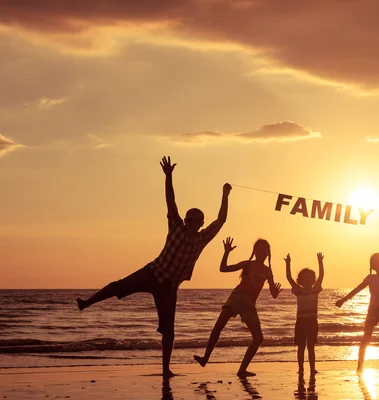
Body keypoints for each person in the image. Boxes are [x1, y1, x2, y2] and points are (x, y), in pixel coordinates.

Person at [76, 156, 231, 379]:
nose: (192, 223)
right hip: (152, 273)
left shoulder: (202, 238)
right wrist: (168, 177)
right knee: (119, 286)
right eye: (190, 219)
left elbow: (222, 219)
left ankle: (165, 370)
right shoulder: (176, 226)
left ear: (201, 224)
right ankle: (87, 303)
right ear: (185, 220)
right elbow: (171, 201)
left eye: (197, 220)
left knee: (169, 330)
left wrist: (225, 195)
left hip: (169, 287)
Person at [194, 237, 283, 377]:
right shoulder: (247, 264)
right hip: (237, 297)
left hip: (249, 304)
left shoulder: (268, 271)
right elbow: (223, 268)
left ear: (268, 253)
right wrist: (226, 252)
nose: (262, 253)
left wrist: (276, 292)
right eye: (259, 250)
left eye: (265, 251)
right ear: (255, 251)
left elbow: (273, 294)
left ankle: (242, 370)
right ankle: (205, 358)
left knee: (258, 338)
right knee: (218, 326)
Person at [285, 252, 324, 376]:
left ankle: (312, 369)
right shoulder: (299, 291)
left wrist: (320, 262)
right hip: (301, 322)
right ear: (300, 281)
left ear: (313, 280)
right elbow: (289, 278)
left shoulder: (315, 289)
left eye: (310, 278)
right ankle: (301, 368)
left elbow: (322, 275)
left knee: (311, 347)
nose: (308, 281)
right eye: (305, 279)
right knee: (301, 346)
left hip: (312, 321)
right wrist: (288, 264)